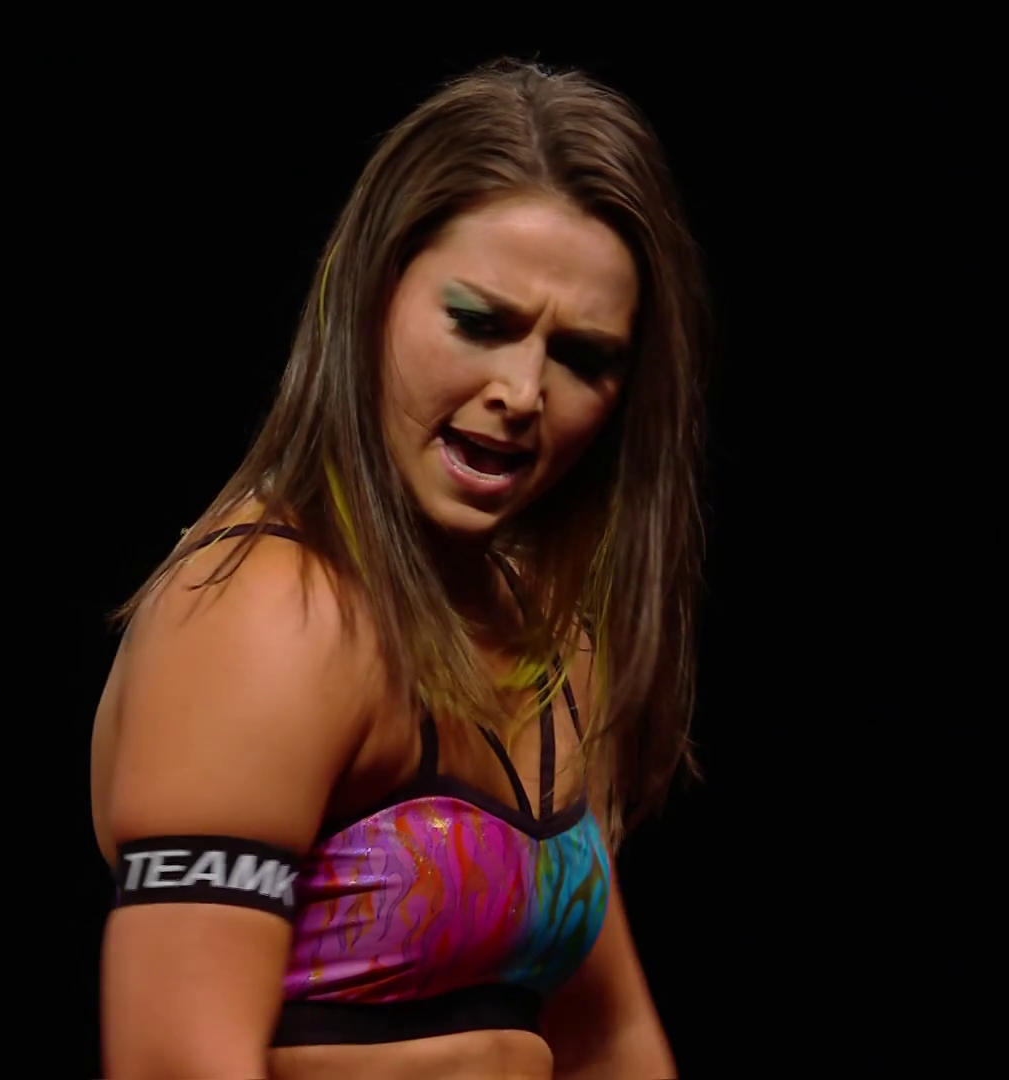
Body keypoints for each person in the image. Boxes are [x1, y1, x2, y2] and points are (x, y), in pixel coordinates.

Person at [90, 57, 709, 1079]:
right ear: (370, 293)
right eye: (480, 322)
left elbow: (610, 1040)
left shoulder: (552, 635)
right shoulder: (269, 612)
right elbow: (174, 1064)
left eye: (583, 357)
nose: (523, 391)